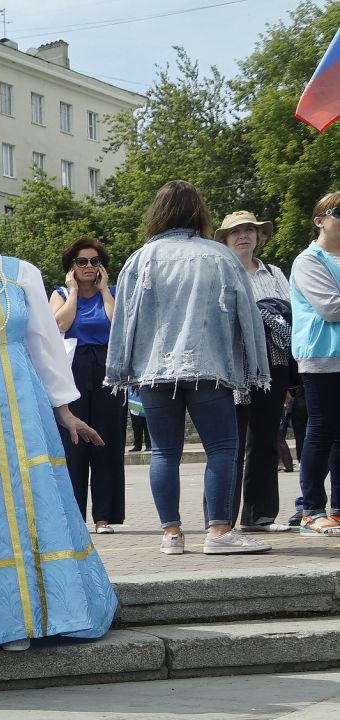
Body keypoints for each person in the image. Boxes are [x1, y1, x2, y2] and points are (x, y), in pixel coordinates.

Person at [0, 167, 117, 651]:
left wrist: (65, 410)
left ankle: (45, 612)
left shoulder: (21, 271)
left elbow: (44, 345)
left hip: (24, 403)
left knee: (35, 499)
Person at [107, 179, 270, 556]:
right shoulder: (220, 256)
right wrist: (256, 367)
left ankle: (171, 535)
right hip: (207, 365)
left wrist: (119, 369)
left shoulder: (140, 259)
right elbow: (248, 315)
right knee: (223, 447)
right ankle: (219, 531)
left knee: (164, 452)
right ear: (200, 212)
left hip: (153, 369)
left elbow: (123, 321)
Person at [218, 211, 296, 532]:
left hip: (272, 363)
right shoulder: (219, 272)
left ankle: (260, 515)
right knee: (231, 444)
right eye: (235, 232)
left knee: (265, 439)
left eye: (249, 230)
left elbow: (290, 313)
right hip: (234, 367)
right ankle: (222, 520)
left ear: (259, 237)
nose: (243, 236)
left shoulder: (275, 273)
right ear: (224, 240)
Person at [49, 235, 126, 532]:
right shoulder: (59, 293)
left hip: (107, 368)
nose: (89, 266)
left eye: (95, 261)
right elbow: (59, 324)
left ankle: (104, 516)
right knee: (74, 442)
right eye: (82, 261)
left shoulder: (114, 292)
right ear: (71, 266)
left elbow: (117, 324)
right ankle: (74, 516)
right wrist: (72, 293)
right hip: (72, 368)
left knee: (107, 440)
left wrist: (105, 291)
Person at [291, 191, 340, 535]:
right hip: (322, 357)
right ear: (319, 220)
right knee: (321, 430)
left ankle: (336, 507)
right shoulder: (309, 260)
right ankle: (311, 508)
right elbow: (331, 307)